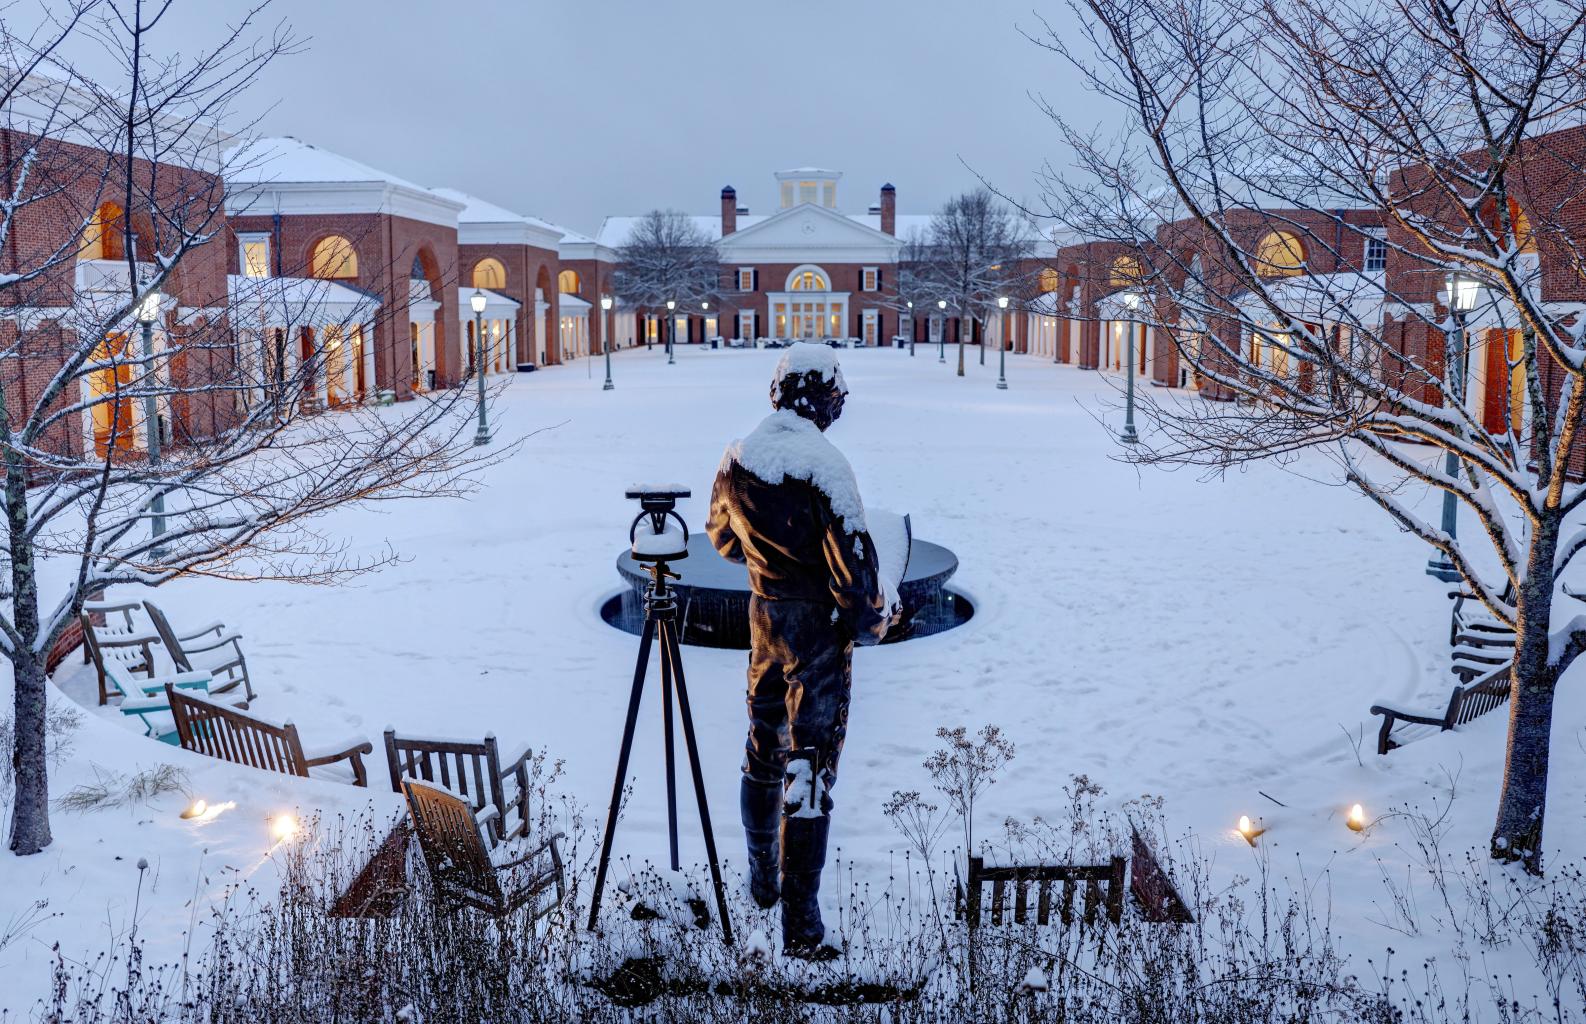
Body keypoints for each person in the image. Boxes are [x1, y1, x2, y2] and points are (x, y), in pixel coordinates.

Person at [706, 343, 896, 959]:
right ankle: (802, 925)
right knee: (809, 772)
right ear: (820, 398)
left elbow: (722, 540)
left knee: (762, 750)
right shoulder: (824, 469)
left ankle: (762, 877)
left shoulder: (739, 459)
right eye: (836, 394)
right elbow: (856, 579)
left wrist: (768, 565)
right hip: (816, 634)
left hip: (765, 622)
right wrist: (873, 625)